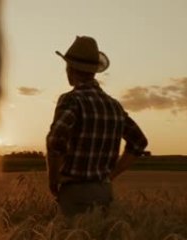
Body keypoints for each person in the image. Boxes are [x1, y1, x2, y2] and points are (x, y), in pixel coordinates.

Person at [46, 36, 148, 217]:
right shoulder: (114, 105)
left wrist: (53, 180)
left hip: (74, 193)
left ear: (70, 69)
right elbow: (139, 142)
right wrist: (110, 176)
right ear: (94, 72)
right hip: (104, 193)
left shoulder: (71, 100)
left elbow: (56, 140)